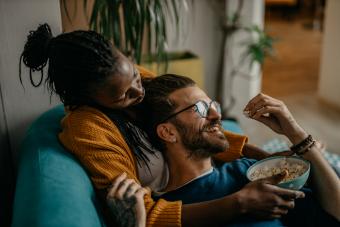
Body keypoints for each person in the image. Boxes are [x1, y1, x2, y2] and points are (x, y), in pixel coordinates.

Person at [19, 23, 321, 226]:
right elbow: (141, 211)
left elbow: (193, 119)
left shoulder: (128, 76)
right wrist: (239, 203)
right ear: (88, 98)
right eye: (125, 95)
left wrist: (265, 157)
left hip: (211, 177)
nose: (140, 93)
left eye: (136, 78)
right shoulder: (87, 130)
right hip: (189, 203)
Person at [140, 74, 340, 226]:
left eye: (213, 105)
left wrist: (296, 133)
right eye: (200, 108)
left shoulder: (252, 172)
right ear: (167, 132)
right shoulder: (164, 213)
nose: (217, 115)